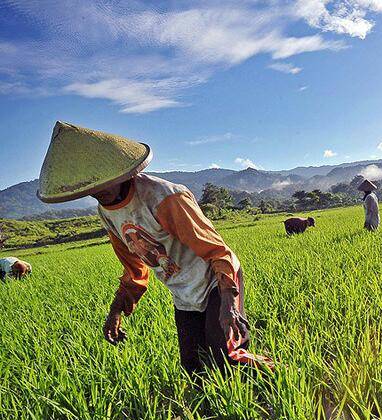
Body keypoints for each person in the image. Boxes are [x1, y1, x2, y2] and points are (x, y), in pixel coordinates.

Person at [38, 121, 272, 376]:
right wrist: (117, 310)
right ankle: (212, 413)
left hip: (216, 280)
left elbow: (217, 251)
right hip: (183, 292)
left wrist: (228, 303)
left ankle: (279, 379)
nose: (96, 193)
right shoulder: (106, 213)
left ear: (118, 172)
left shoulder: (164, 197)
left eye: (100, 184)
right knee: (193, 368)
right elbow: (134, 269)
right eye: (89, 188)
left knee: (226, 355)